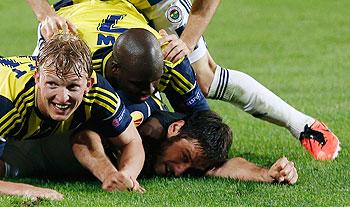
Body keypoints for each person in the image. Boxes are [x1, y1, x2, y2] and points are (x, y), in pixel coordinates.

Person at [26, 0, 340, 161]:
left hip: (153, 2)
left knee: (201, 76)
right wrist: (45, 17)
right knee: (58, 75)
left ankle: (302, 125)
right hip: (84, 8)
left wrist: (187, 42)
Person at [0, 33, 145, 199]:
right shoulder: (7, 104)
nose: (62, 98)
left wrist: (126, 175)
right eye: (52, 84)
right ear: (37, 79)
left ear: (88, 84)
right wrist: (30, 191)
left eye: (73, 86)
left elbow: (132, 140)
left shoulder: (99, 92)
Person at [1, 110, 298, 191]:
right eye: (183, 159)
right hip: (22, 140)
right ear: (174, 128)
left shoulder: (191, 153)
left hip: (28, 162)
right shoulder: (144, 121)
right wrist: (111, 173)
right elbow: (85, 134)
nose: (180, 172)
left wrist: (266, 173)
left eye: (191, 170)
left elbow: (221, 166)